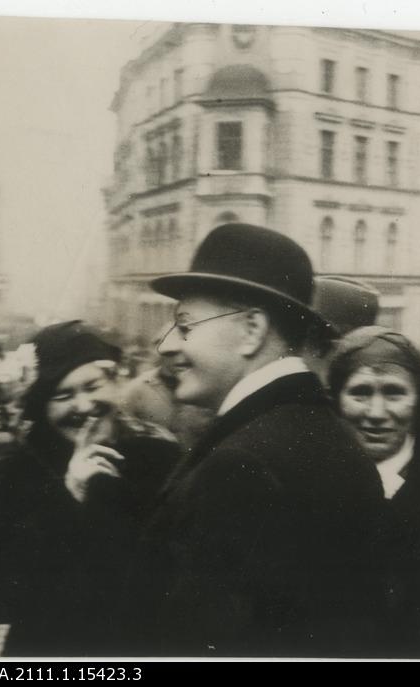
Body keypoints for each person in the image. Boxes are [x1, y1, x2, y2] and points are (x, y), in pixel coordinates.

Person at [124, 223, 388, 658]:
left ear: (252, 330)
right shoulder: (327, 435)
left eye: (185, 325)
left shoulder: (242, 463)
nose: (164, 345)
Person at [0, 321, 180, 656]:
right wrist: (67, 499)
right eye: (63, 396)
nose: (84, 406)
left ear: (115, 382)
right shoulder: (10, 478)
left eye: (92, 386)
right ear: (40, 408)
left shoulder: (159, 458)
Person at [328, 327, 420, 658]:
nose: (376, 413)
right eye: (360, 392)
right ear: (336, 400)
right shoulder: (311, 478)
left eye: (394, 393)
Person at [121, 325, 215, 455]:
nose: (179, 359)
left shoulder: (205, 387)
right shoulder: (137, 389)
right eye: (171, 354)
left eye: (183, 352)